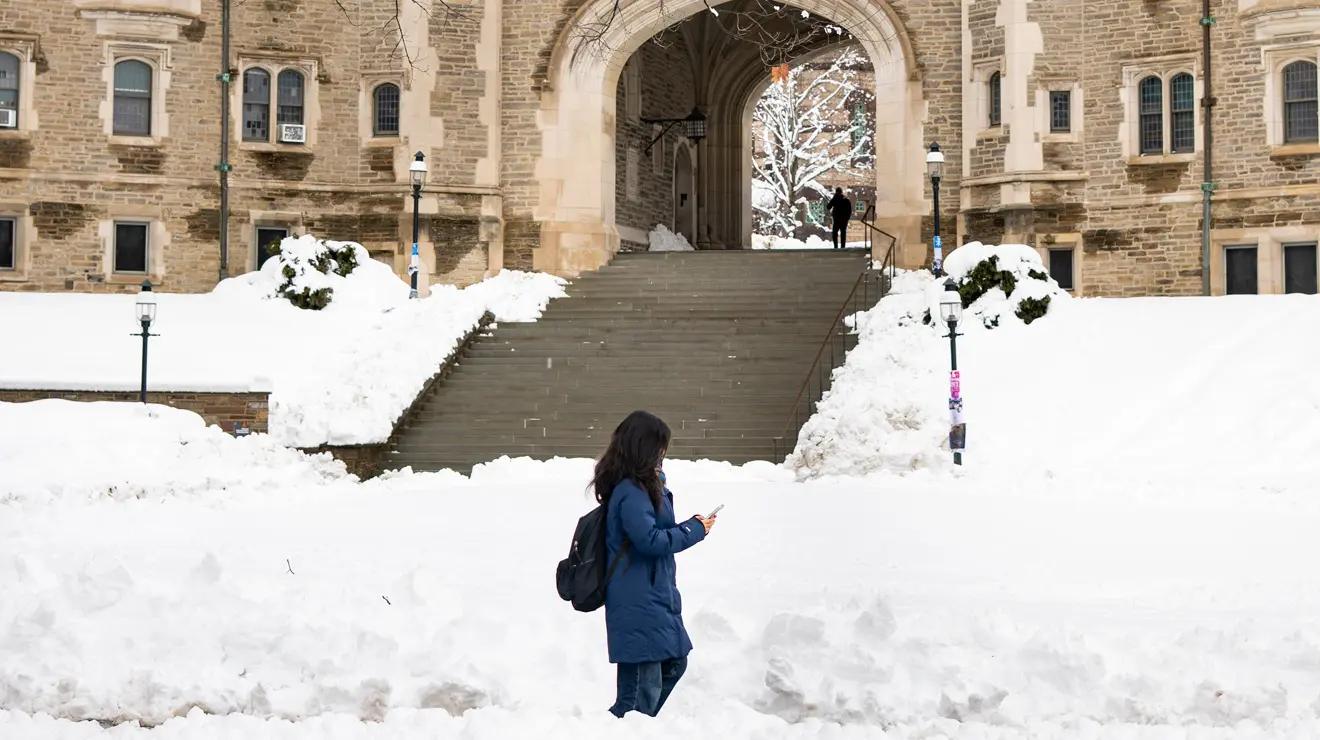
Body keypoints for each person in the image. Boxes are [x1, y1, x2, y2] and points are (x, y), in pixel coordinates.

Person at [591, 410, 716, 718]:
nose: (664, 453)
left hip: (653, 592)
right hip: (636, 597)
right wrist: (693, 529)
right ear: (643, 447)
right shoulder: (631, 490)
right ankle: (622, 729)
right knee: (638, 695)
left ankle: (633, 727)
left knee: (674, 662)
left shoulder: (644, 486)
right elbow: (650, 540)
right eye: (660, 446)